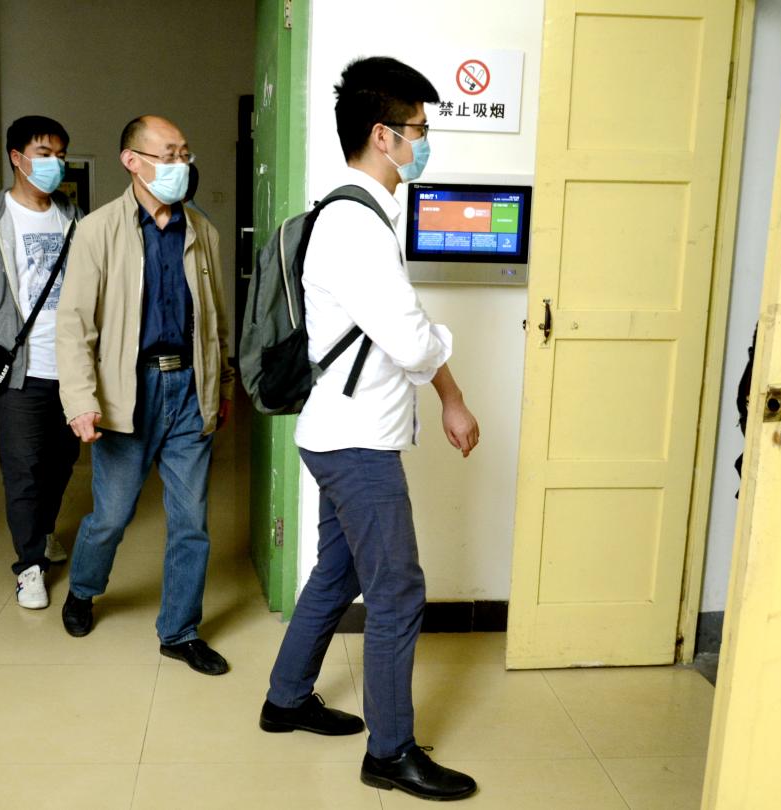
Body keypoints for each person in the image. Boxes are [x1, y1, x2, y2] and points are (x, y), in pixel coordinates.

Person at [258, 57, 480, 801]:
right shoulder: (356, 226)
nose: (425, 141)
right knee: (397, 592)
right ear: (384, 136)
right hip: (357, 444)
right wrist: (445, 374)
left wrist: (446, 391)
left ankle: (286, 698)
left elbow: (402, 333)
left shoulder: (356, 214)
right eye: (419, 128)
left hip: (339, 432)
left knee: (340, 570)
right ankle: (390, 752)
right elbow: (412, 341)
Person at [55, 115, 235, 676]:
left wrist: (223, 384)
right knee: (112, 515)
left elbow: (216, 320)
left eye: (185, 154)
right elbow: (74, 323)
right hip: (126, 391)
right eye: (168, 155)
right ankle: (83, 589)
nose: (181, 165)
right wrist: (80, 399)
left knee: (191, 521)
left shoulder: (203, 232)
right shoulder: (98, 231)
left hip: (190, 388)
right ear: (132, 161)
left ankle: (179, 632)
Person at [0, 115, 82, 610]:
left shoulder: (74, 217)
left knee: (62, 461)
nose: (55, 163)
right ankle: (30, 565)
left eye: (60, 154)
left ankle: (45, 529)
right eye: (44, 153)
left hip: (72, 366)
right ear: (17, 157)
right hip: (21, 368)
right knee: (23, 467)